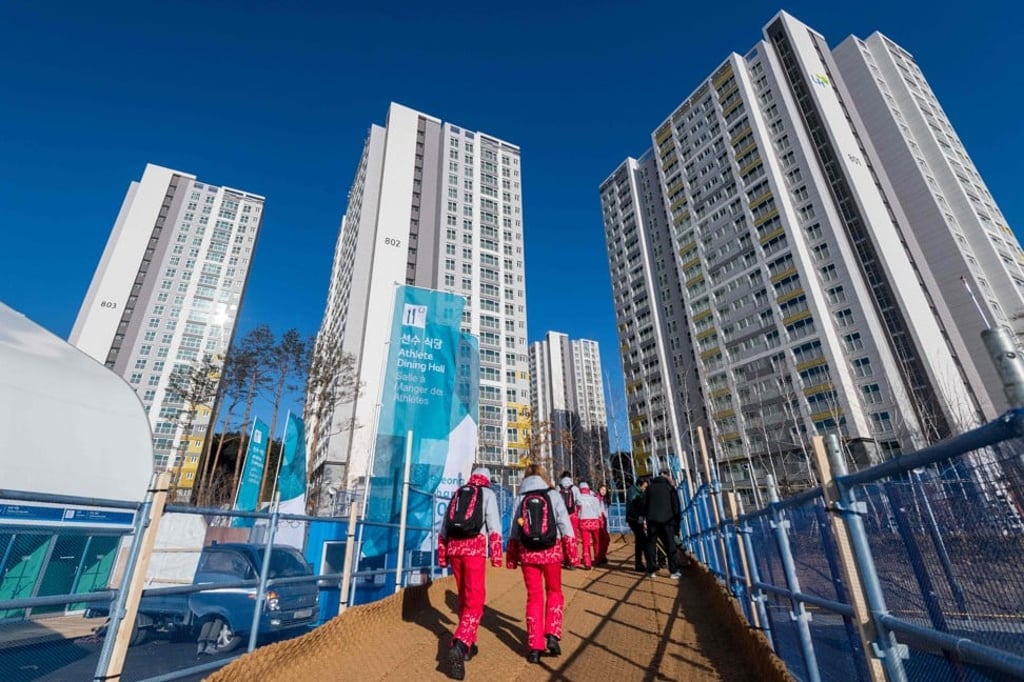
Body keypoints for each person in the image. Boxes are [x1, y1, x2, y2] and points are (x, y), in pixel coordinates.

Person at [506, 463, 579, 663]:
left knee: (534, 597)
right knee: (554, 592)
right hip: (552, 552)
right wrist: (572, 554)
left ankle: (534, 647)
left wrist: (512, 557)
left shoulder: (520, 497)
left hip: (528, 553)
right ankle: (553, 635)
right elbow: (564, 523)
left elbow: (514, 528)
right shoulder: (553, 494)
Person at [437, 467, 504, 680]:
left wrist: (442, 555)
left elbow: (444, 526)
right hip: (474, 549)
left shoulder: (459, 491)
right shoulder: (488, 494)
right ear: (488, 479)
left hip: (454, 548)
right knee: (476, 600)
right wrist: (496, 555)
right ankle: (460, 643)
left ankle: (469, 645)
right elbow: (494, 526)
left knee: (464, 599)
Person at [643, 471, 682, 579]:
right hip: (667, 521)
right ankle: (673, 571)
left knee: (651, 544)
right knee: (670, 545)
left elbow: (644, 504)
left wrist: (645, 518)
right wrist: (677, 524)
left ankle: (651, 570)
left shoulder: (649, 488)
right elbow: (676, 507)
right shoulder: (669, 488)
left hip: (652, 521)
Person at [575, 482, 603, 570]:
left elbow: (577, 511)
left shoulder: (578, 498)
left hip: (583, 522)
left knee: (585, 543)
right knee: (596, 540)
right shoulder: (594, 498)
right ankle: (597, 559)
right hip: (594, 521)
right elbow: (599, 512)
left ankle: (587, 562)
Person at [556, 471, 581, 569]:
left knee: (561, 538)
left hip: (561, 516)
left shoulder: (558, 488)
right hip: (572, 516)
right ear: (570, 478)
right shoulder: (574, 488)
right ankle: (572, 560)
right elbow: (579, 502)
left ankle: (562, 558)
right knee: (571, 538)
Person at [625, 477, 649, 573]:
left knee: (640, 540)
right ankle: (640, 563)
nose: (645, 489)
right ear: (639, 485)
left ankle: (640, 563)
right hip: (634, 519)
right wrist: (639, 516)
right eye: (644, 487)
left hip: (636, 519)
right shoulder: (633, 492)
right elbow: (635, 505)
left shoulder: (637, 491)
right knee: (641, 540)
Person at [595, 483, 611, 565]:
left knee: (605, 540)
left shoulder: (605, 500)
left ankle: (602, 555)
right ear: (599, 489)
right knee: (603, 540)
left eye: (605, 490)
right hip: (599, 521)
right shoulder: (596, 498)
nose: (603, 491)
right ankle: (600, 556)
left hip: (604, 521)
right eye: (602, 489)